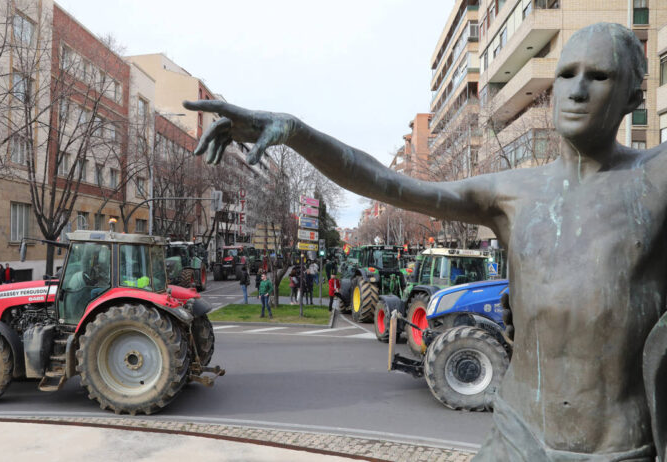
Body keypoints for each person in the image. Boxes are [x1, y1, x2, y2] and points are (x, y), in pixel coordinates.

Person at [186, 23, 666, 461]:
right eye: (566, 74)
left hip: (611, 450)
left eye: (599, 76)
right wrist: (296, 132)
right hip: (518, 434)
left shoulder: (652, 181)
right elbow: (384, 181)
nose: (577, 90)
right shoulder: (514, 193)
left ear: (631, 97)